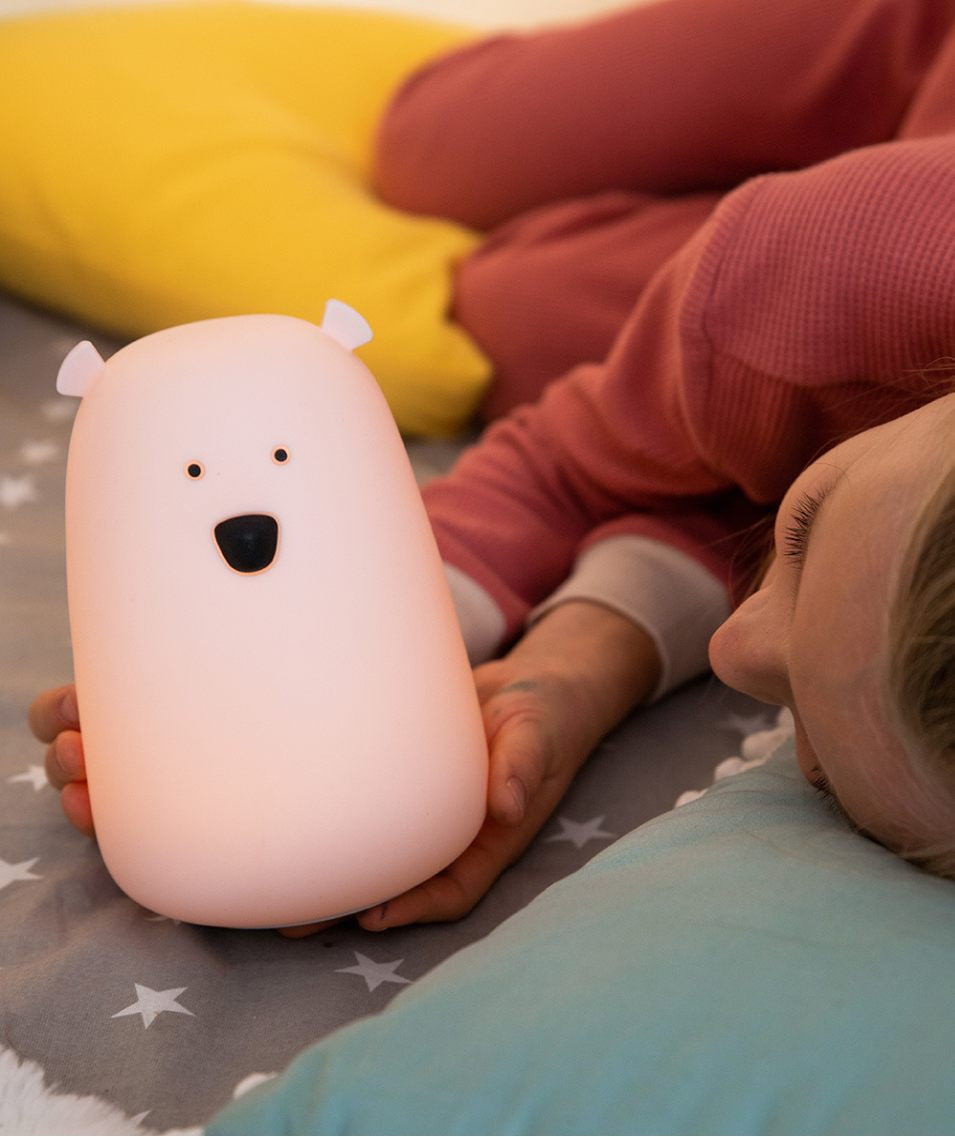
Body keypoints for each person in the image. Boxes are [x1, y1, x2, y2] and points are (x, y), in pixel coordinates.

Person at [29, 0, 955, 932]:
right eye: (802, 534)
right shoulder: (808, 266)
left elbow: (730, 487)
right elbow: (566, 465)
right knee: (430, 150)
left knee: (509, 309)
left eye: (816, 758)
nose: (730, 647)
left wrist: (575, 670)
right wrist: (367, 621)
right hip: (905, 44)